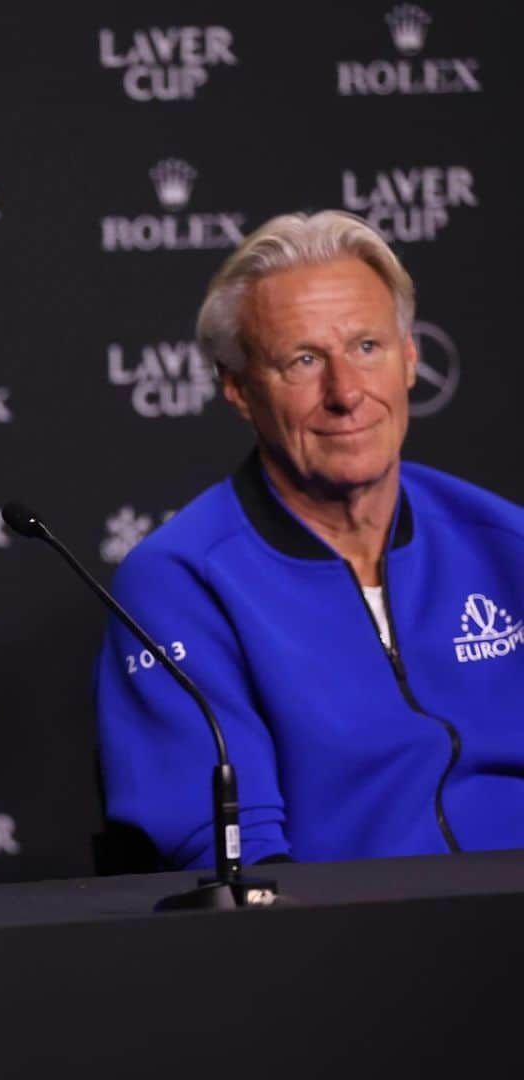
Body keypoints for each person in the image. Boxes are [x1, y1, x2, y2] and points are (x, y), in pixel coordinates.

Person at [95, 209, 524, 871]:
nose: (346, 393)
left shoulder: (505, 542)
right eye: (302, 360)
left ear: (410, 359)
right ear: (238, 389)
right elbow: (237, 861)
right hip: (348, 948)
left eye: (367, 347)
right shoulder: (182, 582)